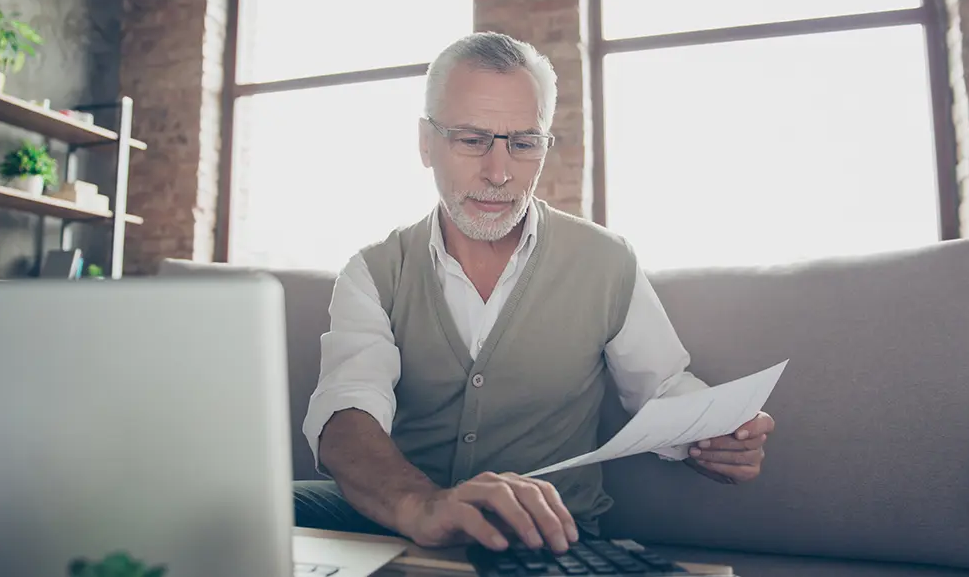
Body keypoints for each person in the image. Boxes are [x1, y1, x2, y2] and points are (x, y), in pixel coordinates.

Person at [294, 32, 775, 555]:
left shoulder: (606, 260)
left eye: (523, 143)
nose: (499, 173)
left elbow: (662, 389)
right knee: (249, 511)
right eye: (471, 139)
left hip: (546, 539)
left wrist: (716, 439)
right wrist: (422, 506)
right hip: (400, 522)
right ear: (425, 143)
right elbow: (348, 413)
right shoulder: (373, 272)